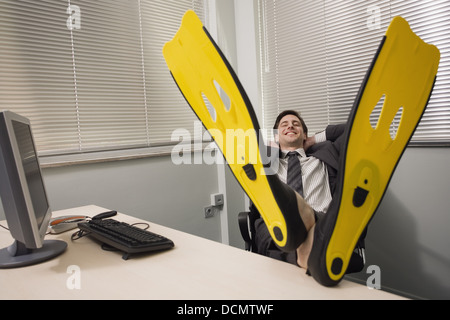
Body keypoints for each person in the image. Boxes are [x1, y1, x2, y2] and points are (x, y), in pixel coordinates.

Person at [252, 109, 364, 272]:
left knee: (322, 223)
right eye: (284, 125)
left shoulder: (326, 154)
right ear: (276, 136)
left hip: (321, 219)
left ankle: (301, 249)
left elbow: (356, 128)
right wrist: (270, 149)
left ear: (304, 134)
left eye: (295, 124)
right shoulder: (266, 162)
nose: (290, 126)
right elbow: (236, 149)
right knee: (267, 226)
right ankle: (307, 254)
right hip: (279, 223)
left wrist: (313, 139)